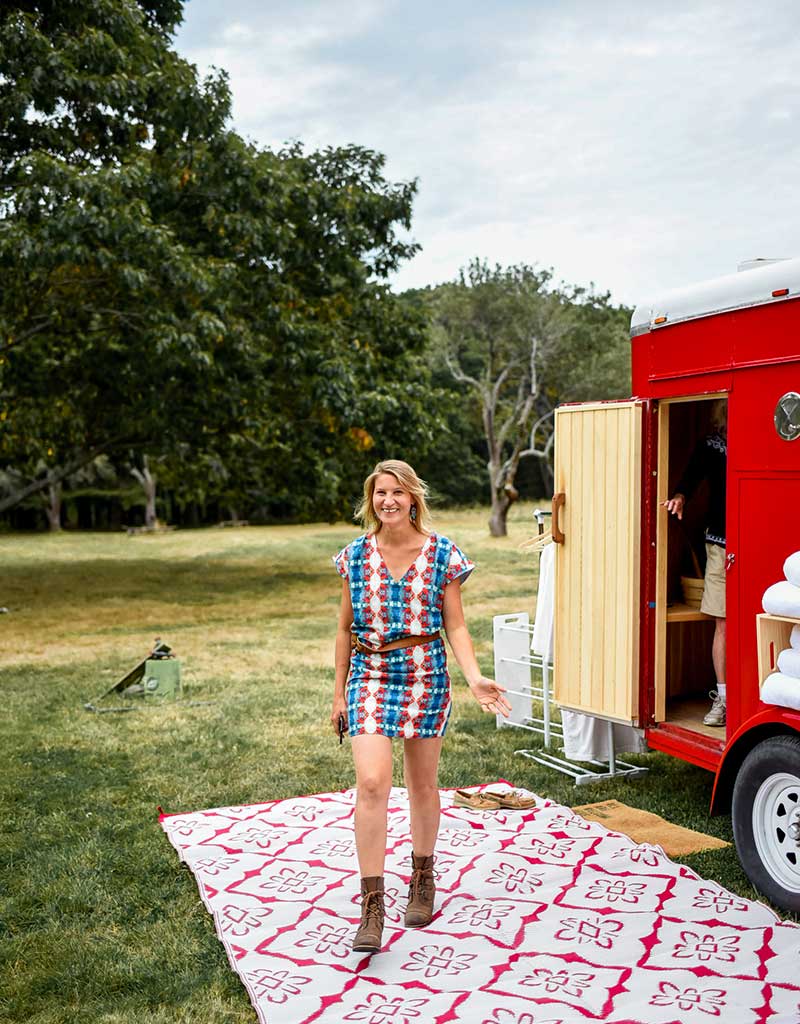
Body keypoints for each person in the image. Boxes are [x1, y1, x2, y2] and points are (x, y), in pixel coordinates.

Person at [331, 459, 511, 954]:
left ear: (413, 498)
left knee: (422, 784)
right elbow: (345, 629)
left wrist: (474, 677)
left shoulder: (442, 555)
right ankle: (372, 906)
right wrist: (338, 693)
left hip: (424, 675)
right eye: (379, 493)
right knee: (371, 783)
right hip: (369, 674)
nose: (387, 501)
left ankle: (423, 877)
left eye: (396, 492)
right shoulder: (354, 557)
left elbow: (454, 624)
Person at [663, 400, 727, 726]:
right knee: (723, 622)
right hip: (721, 544)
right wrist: (680, 496)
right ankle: (725, 699)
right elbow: (690, 478)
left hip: (760, 544)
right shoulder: (713, 445)